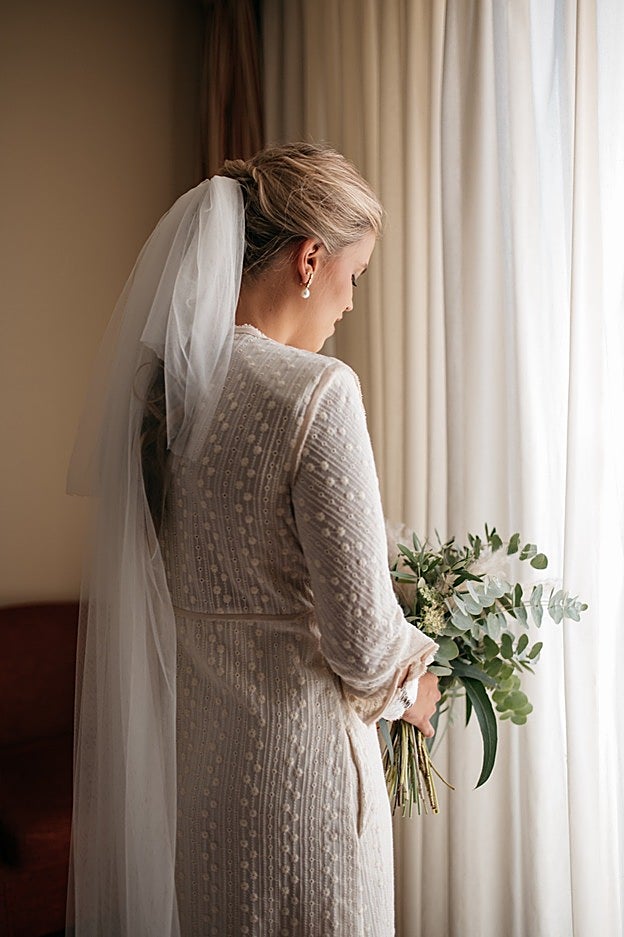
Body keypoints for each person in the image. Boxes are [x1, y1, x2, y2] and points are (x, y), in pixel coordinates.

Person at [67, 142, 440, 937]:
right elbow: (365, 642)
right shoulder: (317, 392)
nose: (348, 303)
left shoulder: (162, 398)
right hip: (305, 790)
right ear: (311, 258)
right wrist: (418, 683)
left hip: (201, 787)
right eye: (354, 275)